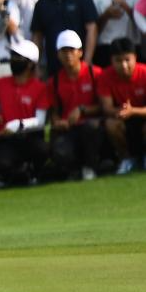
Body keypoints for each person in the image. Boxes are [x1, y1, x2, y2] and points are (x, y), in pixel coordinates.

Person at [0, 39, 50, 186]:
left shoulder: (40, 87)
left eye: (17, 57)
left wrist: (17, 124)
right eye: (12, 56)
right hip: (7, 139)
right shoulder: (0, 84)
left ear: (30, 64)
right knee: (1, 163)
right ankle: (16, 174)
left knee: (42, 149)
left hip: (30, 137)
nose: (13, 60)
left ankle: (33, 173)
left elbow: (40, 120)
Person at [47, 30, 104, 181]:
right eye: (64, 51)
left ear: (80, 52)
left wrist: (82, 110)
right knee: (60, 151)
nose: (68, 55)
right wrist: (58, 122)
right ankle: (73, 170)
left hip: (93, 126)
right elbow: (54, 111)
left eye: (71, 50)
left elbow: (104, 106)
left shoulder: (95, 73)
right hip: (69, 129)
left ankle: (90, 167)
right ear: (58, 55)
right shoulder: (54, 81)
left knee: (90, 128)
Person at [31, 0, 99, 76]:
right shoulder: (42, 4)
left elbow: (92, 29)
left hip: (80, 65)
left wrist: (87, 60)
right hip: (53, 67)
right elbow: (37, 36)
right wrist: (36, 65)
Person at [99, 38, 146, 174]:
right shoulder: (105, 76)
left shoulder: (145, 73)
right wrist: (123, 111)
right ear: (111, 61)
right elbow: (107, 108)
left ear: (135, 57)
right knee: (111, 124)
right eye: (118, 60)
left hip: (142, 116)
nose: (124, 65)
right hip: (121, 116)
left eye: (127, 59)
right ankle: (126, 159)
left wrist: (133, 110)